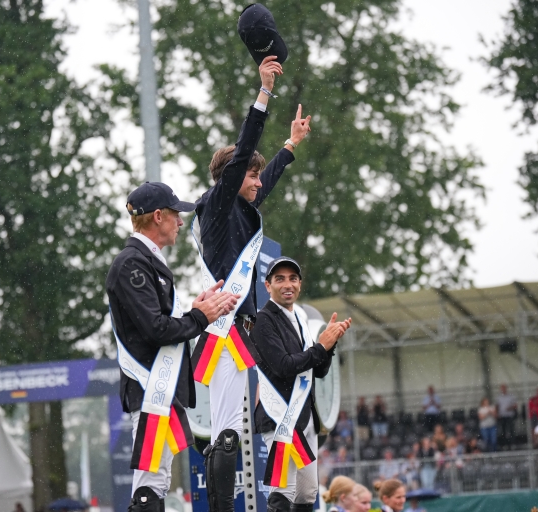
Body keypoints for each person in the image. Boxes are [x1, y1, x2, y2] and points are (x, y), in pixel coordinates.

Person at [191, 50, 312, 512]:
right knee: (226, 437)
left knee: (246, 432)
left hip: (243, 334)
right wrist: (264, 91)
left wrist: (291, 146)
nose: (259, 181)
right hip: (221, 334)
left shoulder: (243, 208)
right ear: (231, 177)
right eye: (252, 174)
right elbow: (244, 149)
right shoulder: (218, 206)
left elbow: (268, 179)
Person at [106, 182, 240, 511]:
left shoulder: (143, 262)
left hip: (160, 390)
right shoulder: (132, 264)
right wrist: (200, 316)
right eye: (176, 215)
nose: (181, 222)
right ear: (157, 217)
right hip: (150, 390)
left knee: (157, 483)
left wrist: (193, 309)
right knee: (149, 487)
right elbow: (156, 329)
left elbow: (161, 321)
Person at [251, 257, 350, 512]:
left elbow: (319, 370)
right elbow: (283, 366)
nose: (287, 284)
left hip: (304, 417)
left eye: (293, 278)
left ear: (300, 284)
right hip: (279, 415)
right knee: (283, 490)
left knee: (307, 492)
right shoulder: (264, 320)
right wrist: (321, 346)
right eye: (280, 279)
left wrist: (329, 345)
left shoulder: (300, 321)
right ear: (267, 285)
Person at [496, 384, 518, 450]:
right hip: (502, 416)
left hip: (509, 416)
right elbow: (497, 406)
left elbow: (515, 405)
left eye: (504, 388)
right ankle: (505, 445)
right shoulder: (499, 397)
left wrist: (510, 408)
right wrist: (497, 413)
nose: (503, 390)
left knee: (511, 431)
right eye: (502, 388)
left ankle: (512, 444)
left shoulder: (511, 396)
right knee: (503, 431)